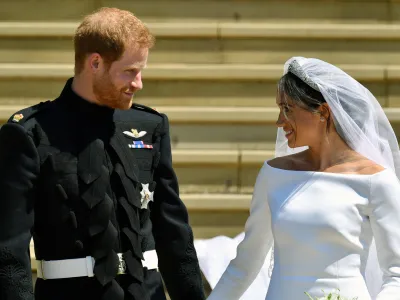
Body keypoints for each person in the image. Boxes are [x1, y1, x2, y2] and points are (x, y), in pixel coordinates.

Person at [0, 7, 205, 300]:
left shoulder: (149, 126)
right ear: (95, 63)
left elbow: (175, 236)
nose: (138, 83)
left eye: (141, 71)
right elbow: (8, 249)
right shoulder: (30, 133)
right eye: (130, 72)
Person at [206, 57, 400, 300]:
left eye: (287, 109)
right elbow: (244, 264)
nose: (279, 121)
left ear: (323, 112)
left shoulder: (376, 181)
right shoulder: (274, 174)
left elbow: (397, 275)